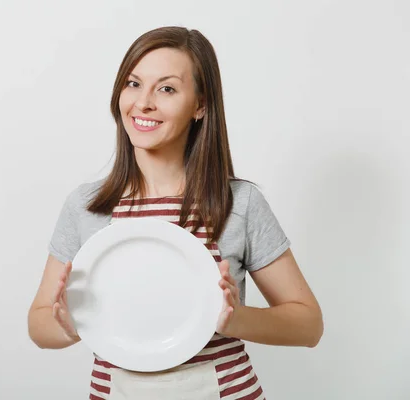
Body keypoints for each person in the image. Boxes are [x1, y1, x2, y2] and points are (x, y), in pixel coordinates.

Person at [27, 26, 323, 400]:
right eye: (133, 84)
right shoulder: (88, 207)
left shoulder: (239, 203)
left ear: (200, 105)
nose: (144, 103)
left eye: (166, 88)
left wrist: (236, 318)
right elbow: (38, 323)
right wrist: (69, 326)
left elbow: (308, 325)